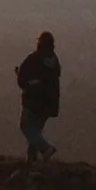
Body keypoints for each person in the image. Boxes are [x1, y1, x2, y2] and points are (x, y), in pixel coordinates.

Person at [15, 31, 61, 162]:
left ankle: (46, 149)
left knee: (26, 126)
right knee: (35, 132)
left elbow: (22, 79)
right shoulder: (54, 61)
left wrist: (24, 80)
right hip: (49, 104)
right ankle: (31, 160)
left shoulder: (33, 59)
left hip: (33, 102)